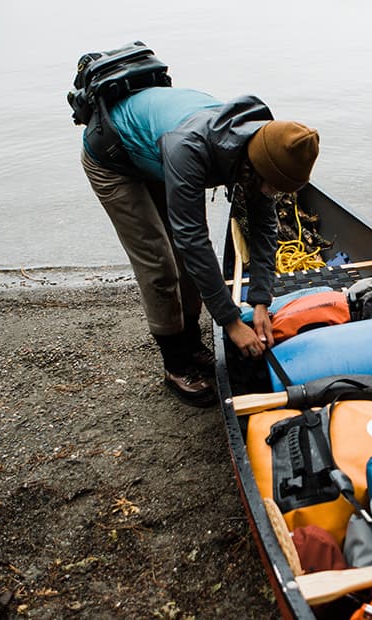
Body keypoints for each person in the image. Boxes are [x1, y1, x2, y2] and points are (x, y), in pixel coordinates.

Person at [80, 86, 319, 406]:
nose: (274, 192)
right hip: (113, 158)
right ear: (255, 167)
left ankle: (192, 344)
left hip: (154, 150)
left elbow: (262, 228)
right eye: (274, 186)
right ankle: (176, 365)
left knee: (186, 257)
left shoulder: (261, 149)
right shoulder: (190, 149)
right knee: (159, 262)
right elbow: (192, 240)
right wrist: (231, 321)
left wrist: (261, 299)